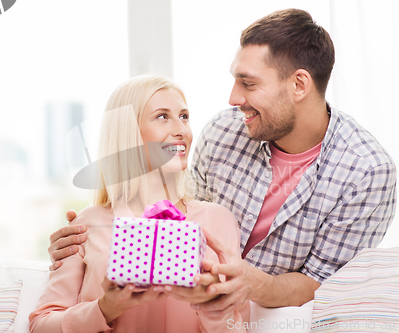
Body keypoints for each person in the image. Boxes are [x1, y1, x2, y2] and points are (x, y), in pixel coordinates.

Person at [48, 8, 397, 315]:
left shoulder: (367, 172)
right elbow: (185, 213)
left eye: (248, 83)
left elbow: (324, 284)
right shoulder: (222, 133)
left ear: (299, 84)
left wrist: (250, 285)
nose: (233, 98)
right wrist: (88, 246)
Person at [29, 75, 248, 333]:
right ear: (127, 133)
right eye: (163, 116)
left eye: (184, 116)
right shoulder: (87, 225)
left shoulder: (217, 220)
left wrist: (212, 305)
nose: (182, 130)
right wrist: (105, 308)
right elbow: (41, 325)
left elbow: (240, 327)